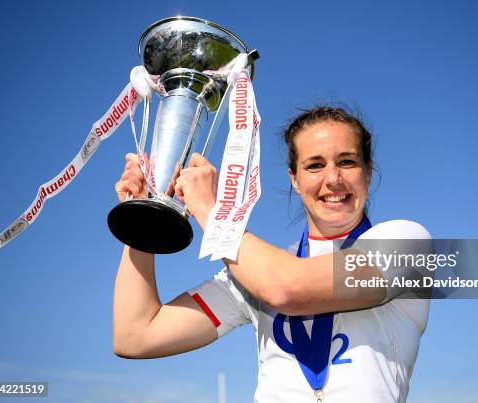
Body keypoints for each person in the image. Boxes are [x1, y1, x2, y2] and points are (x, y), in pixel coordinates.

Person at [113, 106, 431, 403]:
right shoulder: (251, 270)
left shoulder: (406, 242)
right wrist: (143, 215)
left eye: (347, 161)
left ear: (369, 171)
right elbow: (136, 336)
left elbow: (286, 288)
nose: (333, 179)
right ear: (294, 178)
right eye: (315, 165)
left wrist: (213, 213)